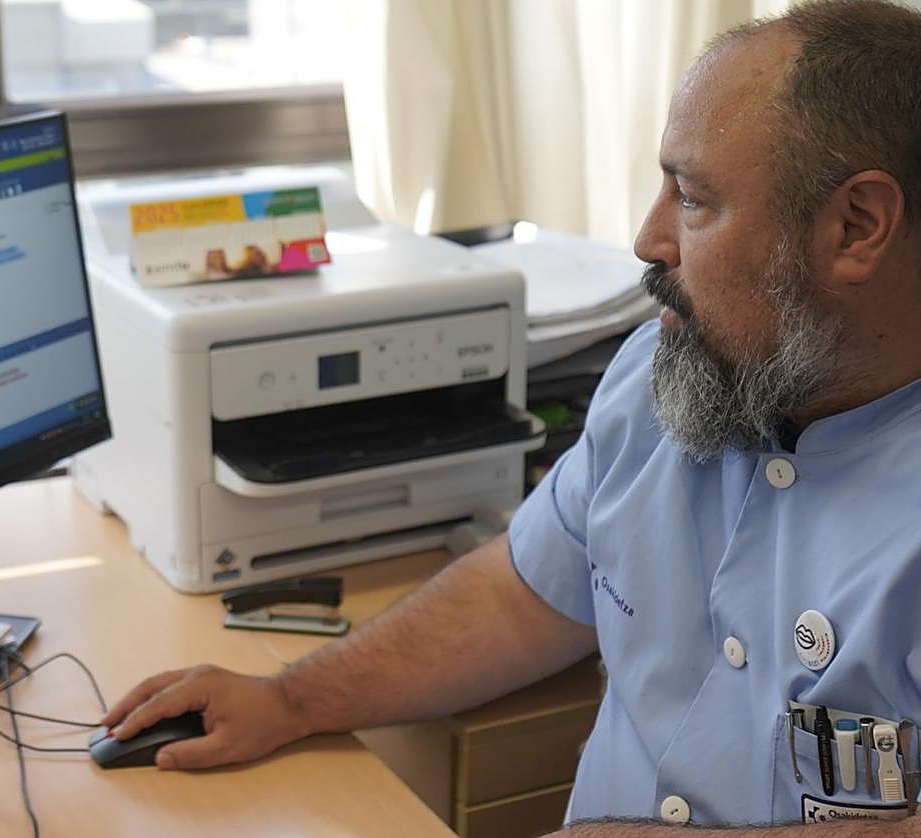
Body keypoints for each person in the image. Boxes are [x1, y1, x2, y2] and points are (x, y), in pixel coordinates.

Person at [102, 1, 921, 831]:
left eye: (696, 199)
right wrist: (288, 699)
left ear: (856, 227)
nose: (647, 238)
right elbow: (518, 596)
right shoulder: (660, 381)